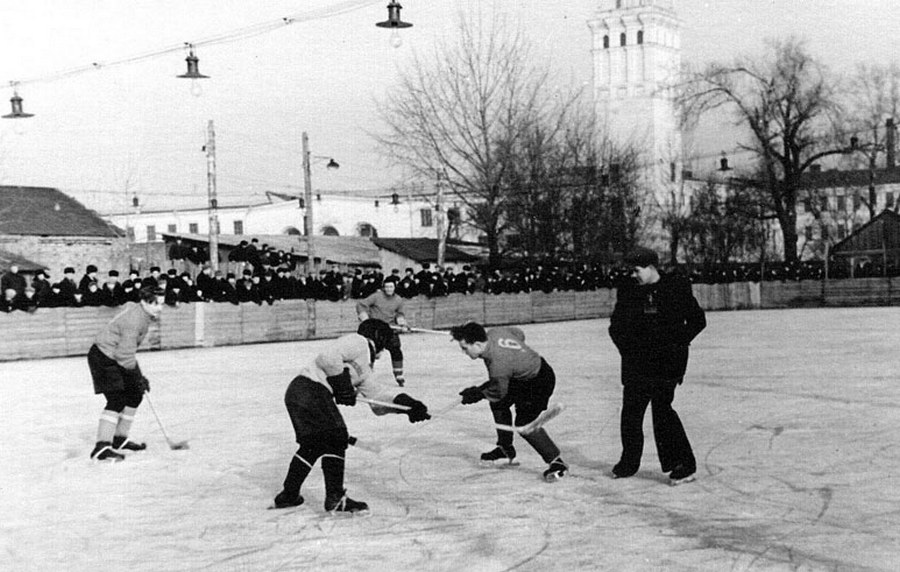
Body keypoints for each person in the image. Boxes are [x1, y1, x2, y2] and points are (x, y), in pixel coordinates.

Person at [271, 319, 431, 513]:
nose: (384, 351)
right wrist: (342, 384)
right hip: (310, 388)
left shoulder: (365, 368)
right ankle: (335, 498)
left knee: (313, 446)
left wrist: (408, 406)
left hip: (300, 393)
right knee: (336, 437)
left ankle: (288, 495)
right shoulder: (359, 342)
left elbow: (378, 400)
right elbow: (327, 357)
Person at [608, 247, 706, 485]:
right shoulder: (628, 291)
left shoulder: (675, 288)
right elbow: (616, 327)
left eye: (636, 270)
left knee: (662, 412)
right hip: (637, 363)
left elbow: (697, 320)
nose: (633, 275)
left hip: (667, 362)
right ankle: (629, 462)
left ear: (651, 268)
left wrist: (677, 343)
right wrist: (628, 350)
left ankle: (683, 464)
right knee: (631, 413)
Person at [451, 322, 569, 482]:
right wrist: (518, 356)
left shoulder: (498, 365)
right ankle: (505, 448)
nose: (463, 352)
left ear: (478, 344)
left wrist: (477, 394)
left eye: (465, 348)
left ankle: (557, 462)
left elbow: (497, 392)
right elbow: (518, 333)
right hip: (519, 376)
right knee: (499, 405)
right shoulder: (495, 332)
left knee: (525, 423)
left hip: (539, 381)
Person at [86, 286, 165, 462]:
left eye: (162, 304)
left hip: (116, 356)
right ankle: (102, 447)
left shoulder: (142, 313)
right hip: (103, 357)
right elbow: (124, 355)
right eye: (157, 304)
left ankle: (119, 439)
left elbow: (126, 353)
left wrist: (138, 378)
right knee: (117, 399)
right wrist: (138, 377)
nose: (160, 308)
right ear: (145, 302)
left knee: (135, 395)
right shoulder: (134, 320)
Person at [355, 275, 410, 386]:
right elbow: (361, 304)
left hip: (389, 329)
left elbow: (400, 313)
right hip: (375, 329)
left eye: (391, 287)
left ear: (395, 287)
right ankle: (367, 376)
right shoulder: (376, 296)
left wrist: (401, 323)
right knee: (370, 353)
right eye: (387, 287)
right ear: (384, 287)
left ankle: (399, 375)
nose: (389, 289)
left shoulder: (398, 300)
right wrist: (365, 318)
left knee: (396, 350)